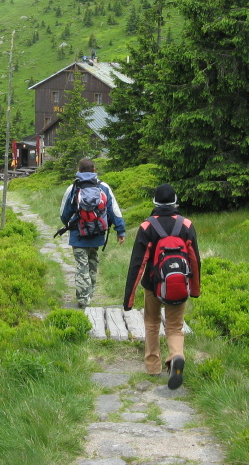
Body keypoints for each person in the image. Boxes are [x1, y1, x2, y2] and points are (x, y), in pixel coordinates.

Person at [123, 183, 201, 389]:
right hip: (179, 286)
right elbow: (195, 260)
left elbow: (137, 263)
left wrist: (129, 299)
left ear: (154, 202)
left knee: (152, 323)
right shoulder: (186, 225)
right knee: (175, 326)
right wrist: (194, 289)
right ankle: (176, 356)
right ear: (175, 201)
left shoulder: (147, 226)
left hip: (152, 285)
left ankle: (153, 366)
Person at [58, 158, 126, 308]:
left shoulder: (73, 188)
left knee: (81, 265)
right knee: (92, 264)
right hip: (97, 233)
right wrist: (120, 230)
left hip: (78, 234)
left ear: (79, 170)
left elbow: (64, 214)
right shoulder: (103, 187)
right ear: (94, 170)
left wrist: (70, 223)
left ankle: (83, 299)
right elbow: (114, 211)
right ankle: (89, 294)